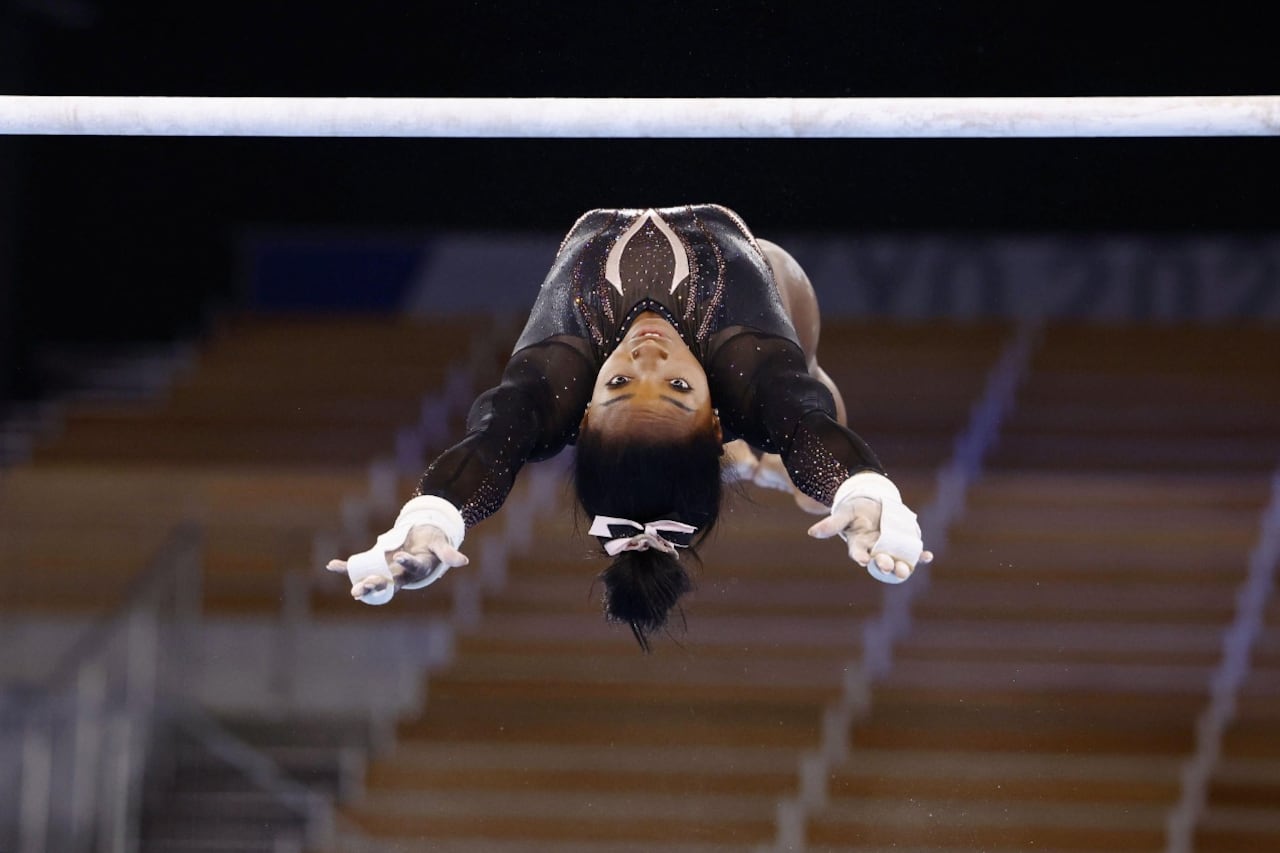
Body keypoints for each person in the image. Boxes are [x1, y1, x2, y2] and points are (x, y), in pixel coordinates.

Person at [328, 204, 931, 650]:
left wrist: (430, 520)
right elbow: (807, 424)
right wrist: (867, 491)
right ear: (717, 419)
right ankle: (778, 471)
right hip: (770, 292)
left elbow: (490, 447)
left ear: (583, 414)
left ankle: (758, 466)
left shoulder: (555, 383)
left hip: (706, 416)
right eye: (678, 388)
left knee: (792, 447)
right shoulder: (744, 370)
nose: (647, 358)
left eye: (617, 385)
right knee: (800, 422)